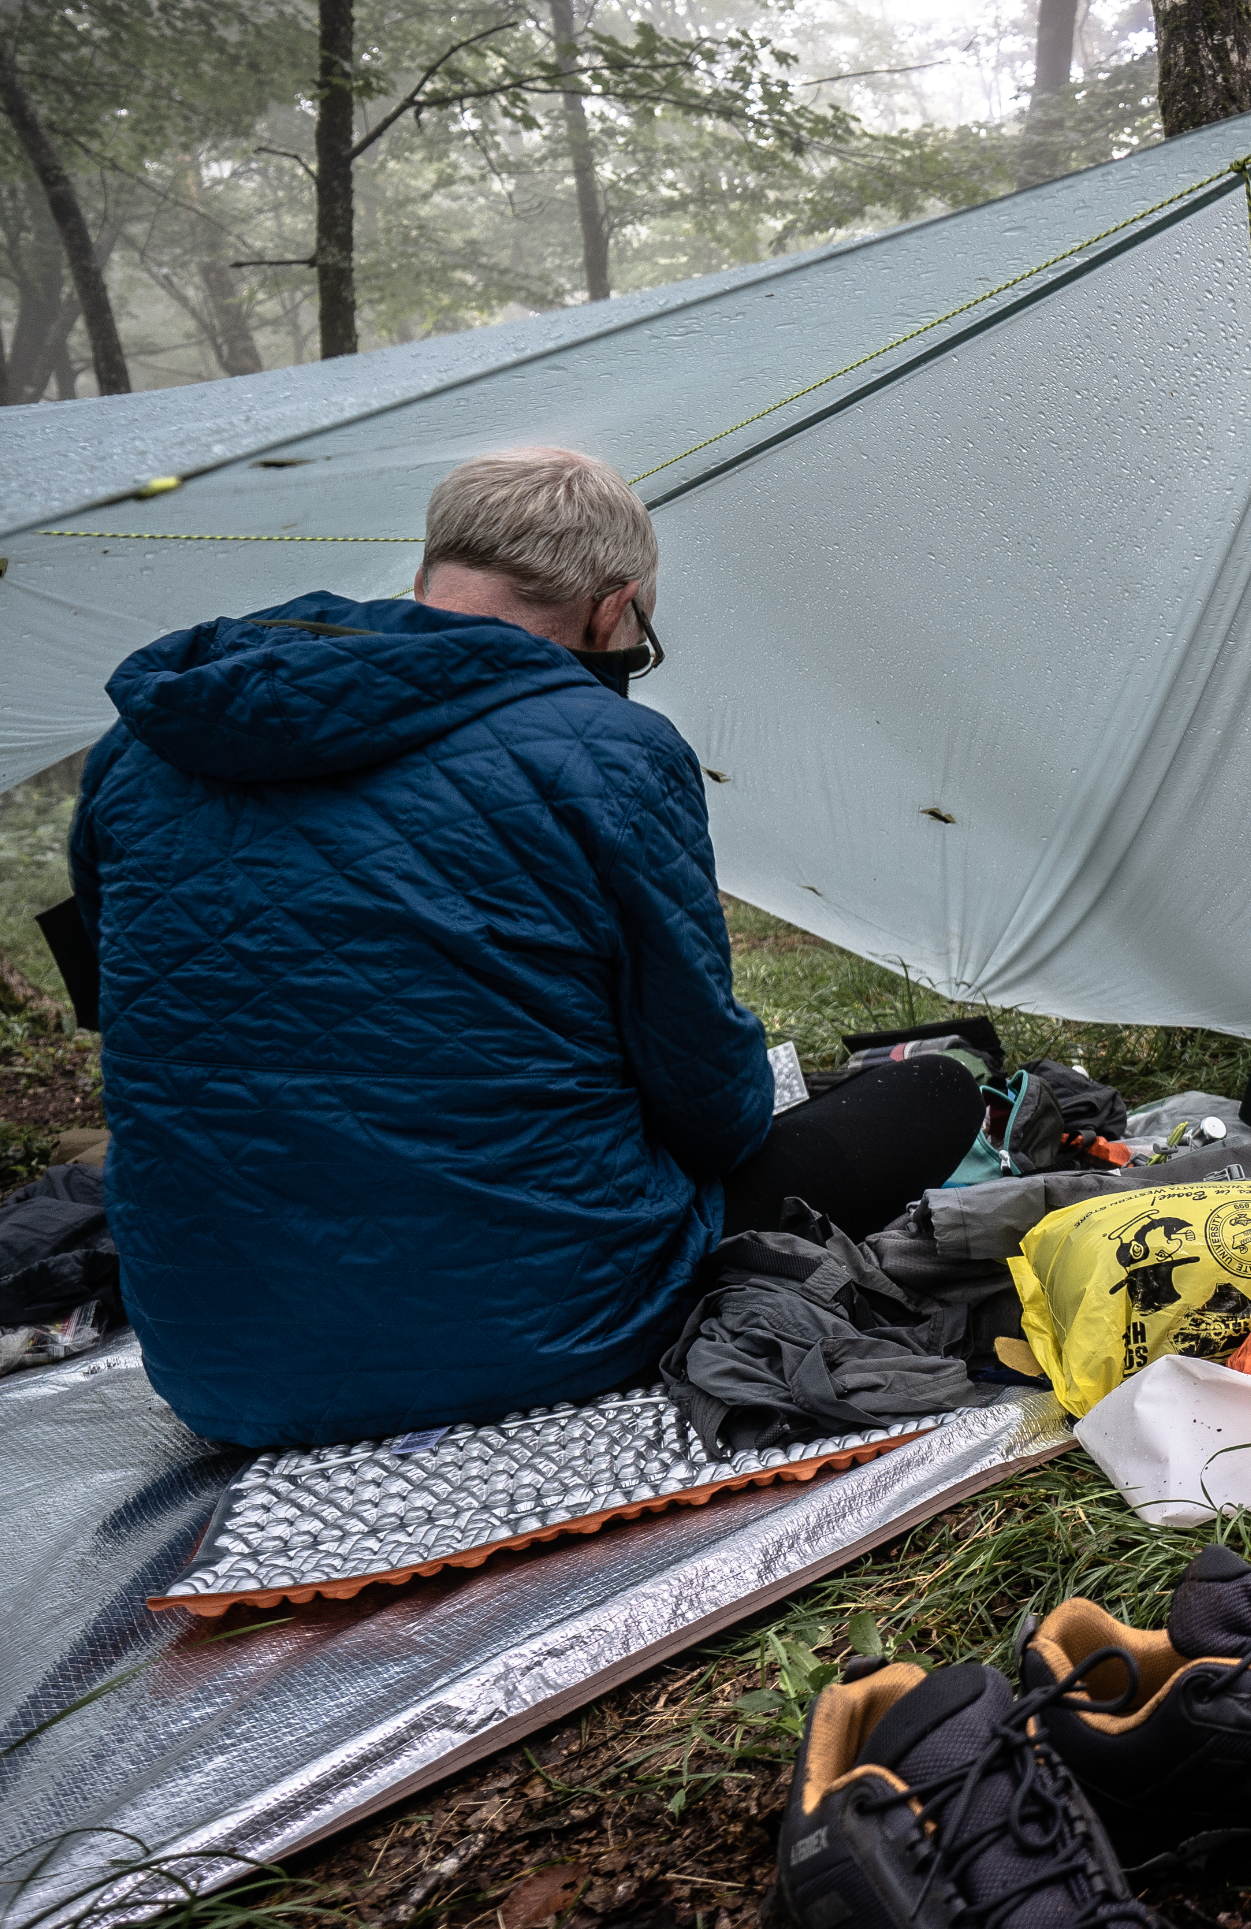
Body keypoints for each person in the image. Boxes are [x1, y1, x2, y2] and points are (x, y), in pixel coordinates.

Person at [72, 448, 978, 1450]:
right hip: (551, 1328)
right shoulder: (611, 749)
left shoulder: (143, 748)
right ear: (611, 611)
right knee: (934, 1091)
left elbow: (133, 1014)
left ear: (428, 576)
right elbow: (711, 1104)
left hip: (220, 1365)